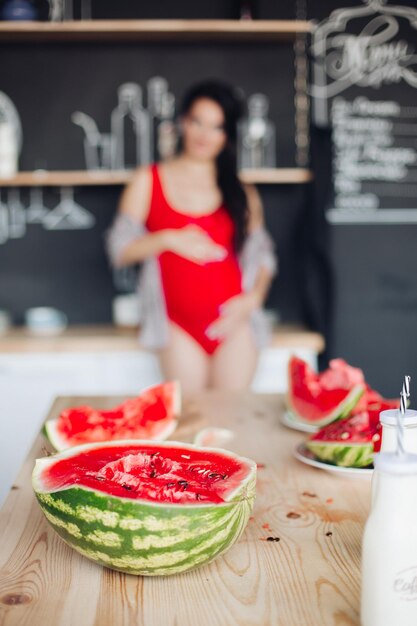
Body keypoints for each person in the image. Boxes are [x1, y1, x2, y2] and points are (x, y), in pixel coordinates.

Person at [107, 80, 277, 394]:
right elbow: (119, 249)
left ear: (227, 136)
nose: (204, 134)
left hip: (234, 324)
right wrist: (167, 239)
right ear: (184, 122)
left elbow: (263, 253)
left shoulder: (241, 191)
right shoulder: (148, 180)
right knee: (192, 420)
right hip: (177, 326)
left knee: (232, 420)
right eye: (198, 122)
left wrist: (254, 299)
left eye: (216, 127)